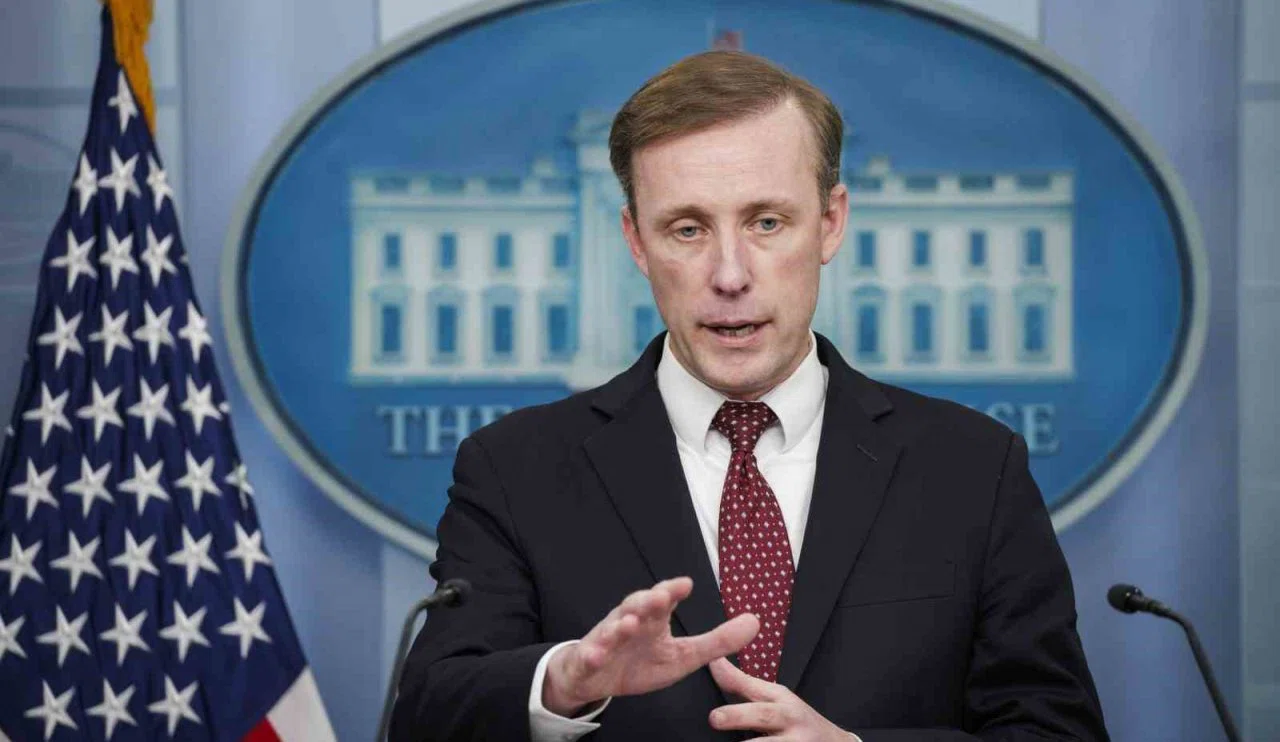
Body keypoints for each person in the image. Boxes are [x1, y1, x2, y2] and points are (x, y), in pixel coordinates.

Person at [389, 50, 1109, 741]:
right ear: (636, 241)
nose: (729, 275)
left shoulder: (973, 469)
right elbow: (426, 718)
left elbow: (1056, 728)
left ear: (830, 222)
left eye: (766, 222)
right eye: (687, 229)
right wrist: (560, 685)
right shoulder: (514, 470)